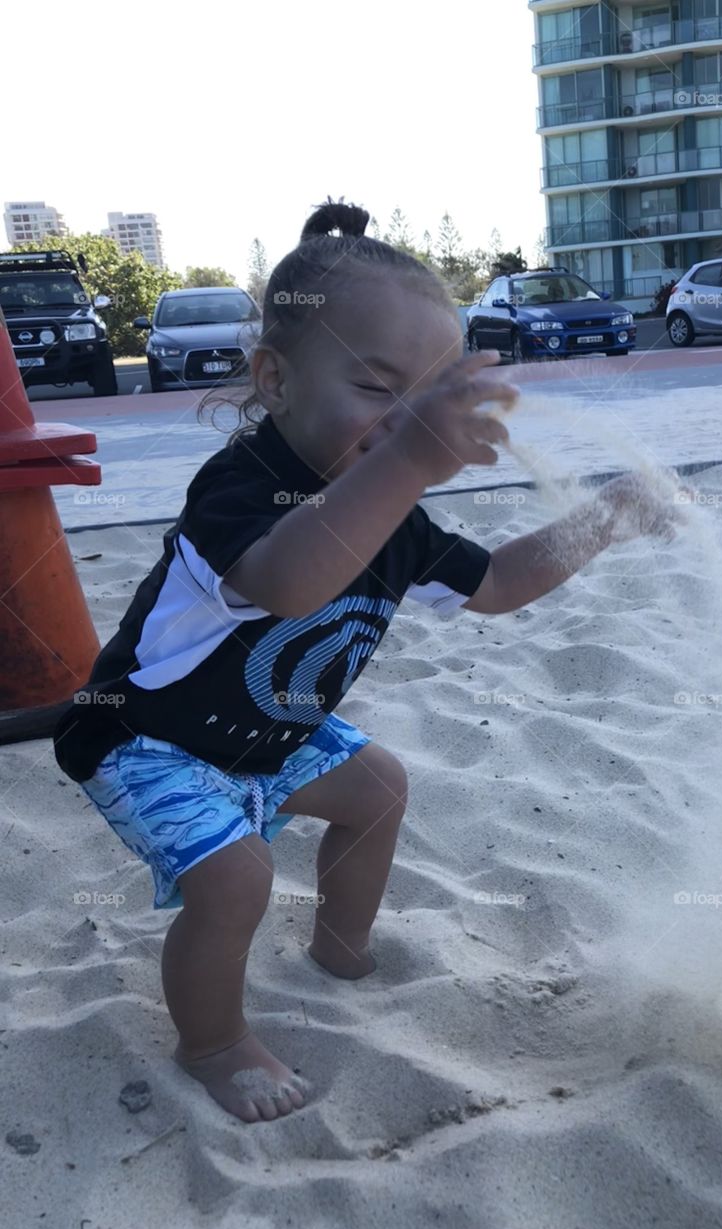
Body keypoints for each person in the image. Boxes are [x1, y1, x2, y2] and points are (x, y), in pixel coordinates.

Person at [53, 198, 678, 1124]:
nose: (404, 423)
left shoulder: (395, 514)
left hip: (267, 734)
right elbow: (291, 582)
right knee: (236, 879)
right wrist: (413, 459)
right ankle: (213, 1043)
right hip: (145, 738)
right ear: (275, 379)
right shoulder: (240, 486)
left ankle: (340, 948)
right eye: (379, 390)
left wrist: (607, 517)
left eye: (427, 399)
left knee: (377, 787)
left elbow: (497, 583)